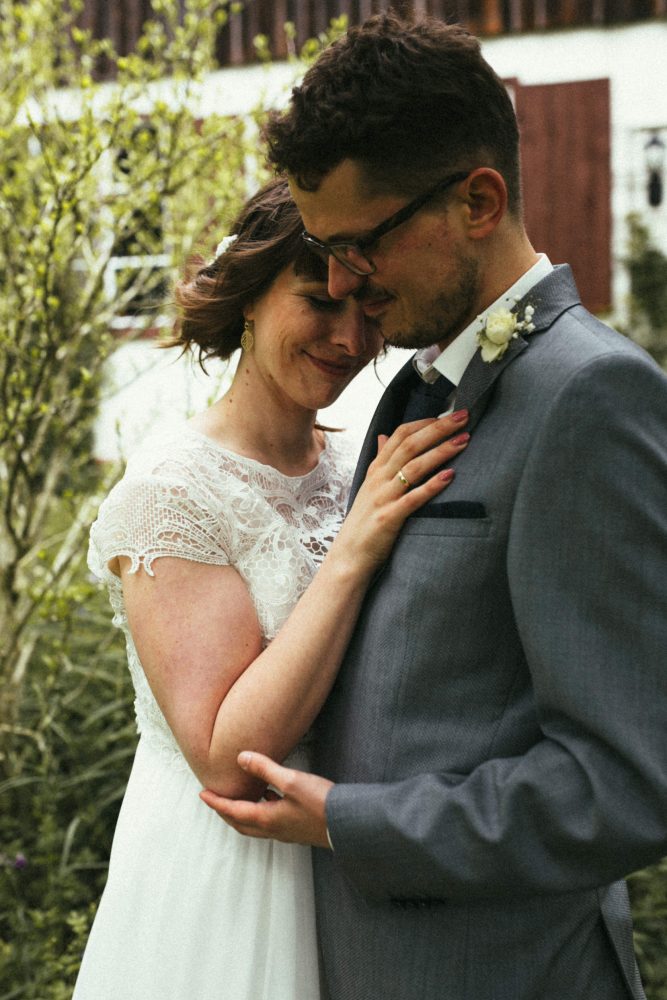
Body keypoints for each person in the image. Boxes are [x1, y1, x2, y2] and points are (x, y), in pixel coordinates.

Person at [201, 15, 667, 1000]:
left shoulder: (588, 398)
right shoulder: (414, 387)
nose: (337, 285)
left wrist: (348, 818)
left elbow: (622, 785)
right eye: (324, 251)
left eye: (358, 247)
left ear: (477, 201)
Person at [72, 177, 470, 1000]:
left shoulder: (359, 456)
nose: (348, 336)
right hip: (235, 874)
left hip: (353, 854)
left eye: (366, 307)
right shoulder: (171, 494)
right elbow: (226, 761)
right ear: (249, 297)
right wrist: (353, 549)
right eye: (316, 304)